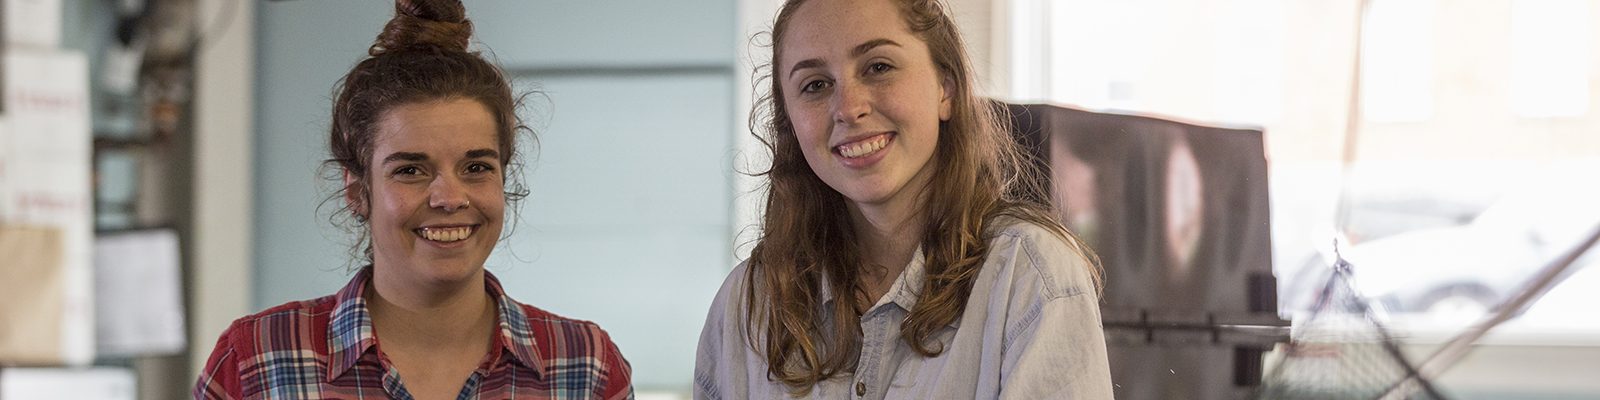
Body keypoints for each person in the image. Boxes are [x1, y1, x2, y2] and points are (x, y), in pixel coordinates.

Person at [193, 1, 633, 398]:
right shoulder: (256, 363)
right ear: (357, 191)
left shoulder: (584, 367)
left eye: (476, 167)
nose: (449, 197)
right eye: (410, 170)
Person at [694, 0, 1113, 398]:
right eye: (816, 85)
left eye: (878, 67)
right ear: (790, 120)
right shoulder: (750, 304)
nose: (848, 108)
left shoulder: (1030, 280)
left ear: (946, 89)